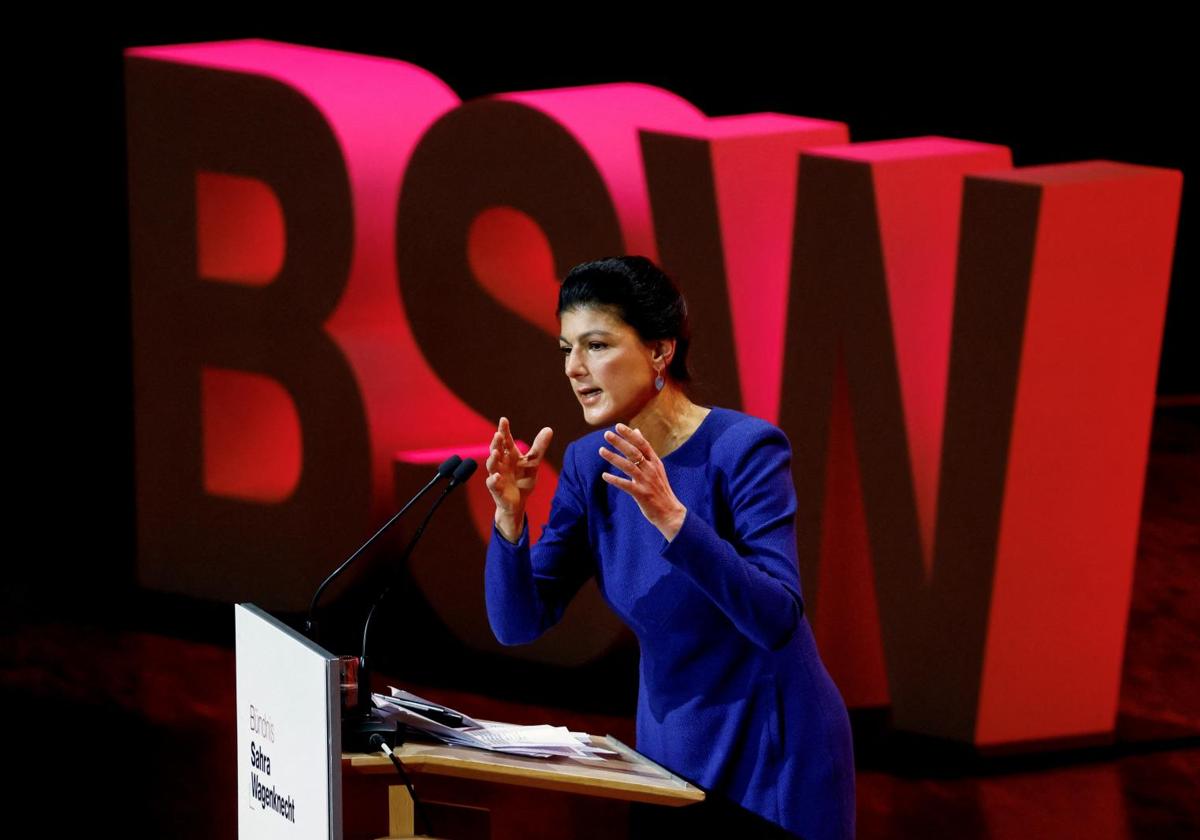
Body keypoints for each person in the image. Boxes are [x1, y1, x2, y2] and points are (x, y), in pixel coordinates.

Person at [483, 256, 855, 839]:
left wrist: (674, 519)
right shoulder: (588, 463)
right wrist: (509, 518)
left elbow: (779, 616)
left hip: (772, 749)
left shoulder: (745, 451)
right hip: (668, 753)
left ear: (660, 352)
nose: (575, 368)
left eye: (597, 344)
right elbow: (518, 622)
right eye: (566, 348)